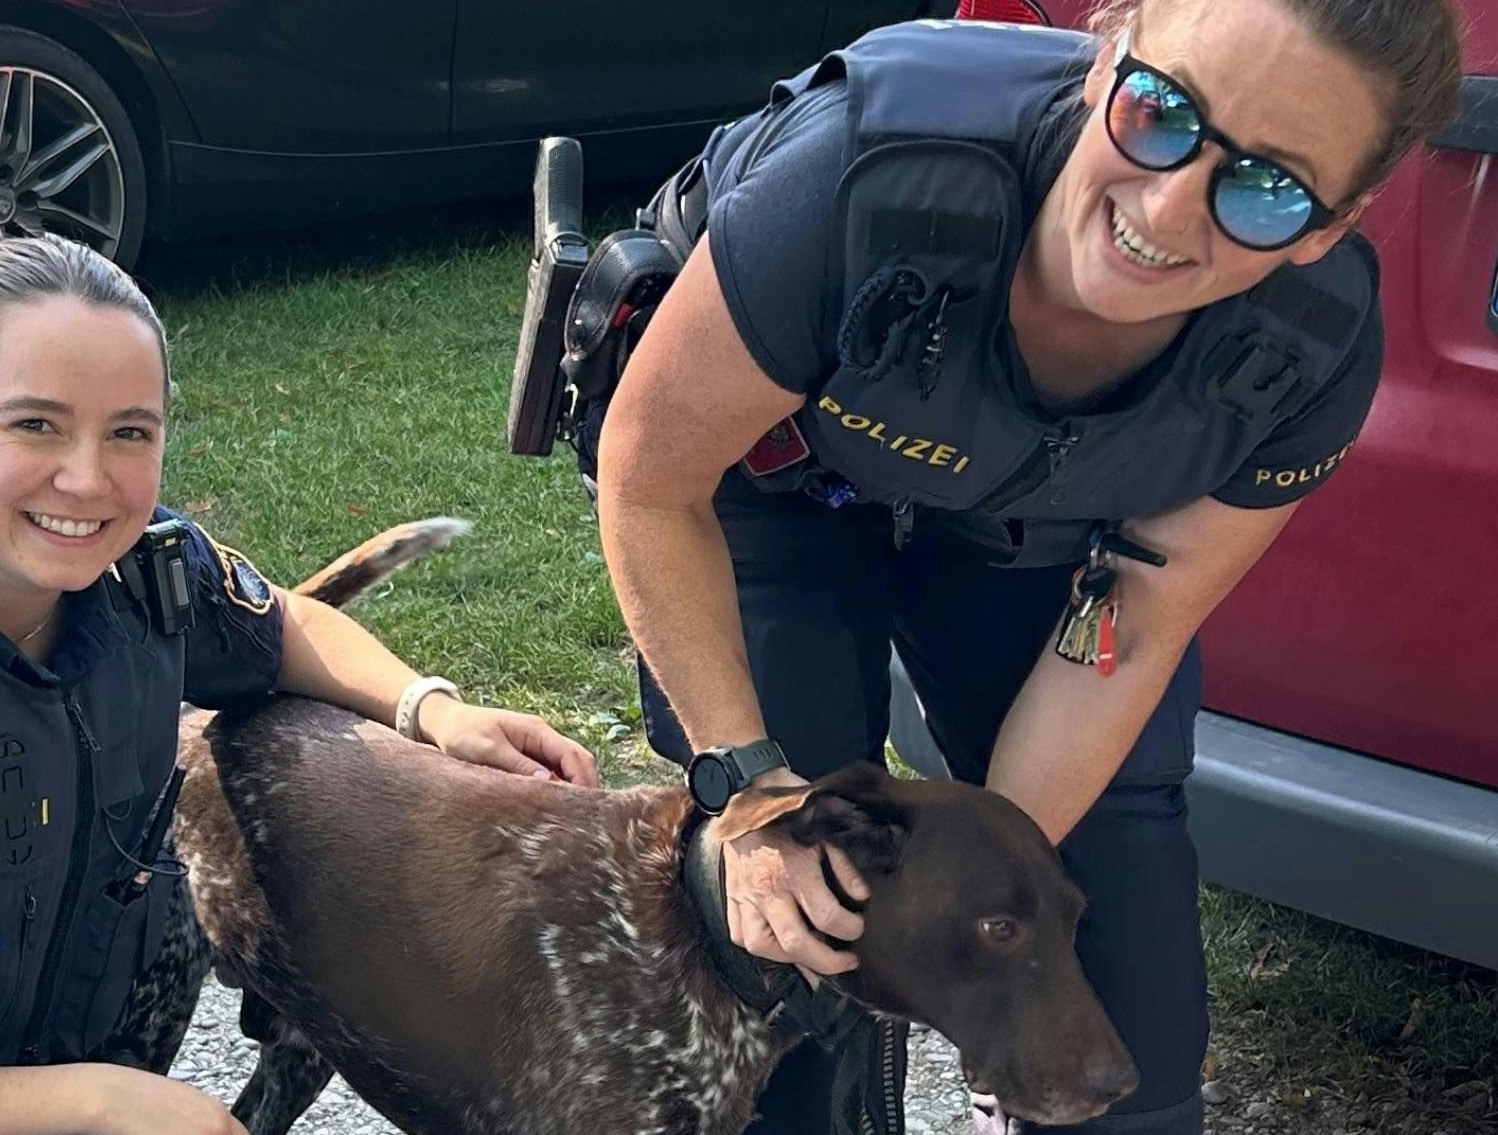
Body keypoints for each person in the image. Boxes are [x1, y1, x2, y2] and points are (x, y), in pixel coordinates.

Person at [588, 0, 1462, 1132]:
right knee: (784, 922)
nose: (1164, 206)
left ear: (1327, 225)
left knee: (1119, 994)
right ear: (1109, 46)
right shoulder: (867, 170)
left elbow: (1135, 622)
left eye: (1265, 188)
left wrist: (991, 899)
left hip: (1033, 528)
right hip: (764, 491)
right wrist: (744, 795)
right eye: (1159, 111)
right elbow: (652, 478)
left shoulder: (1306, 344)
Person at [0, 232, 598, 1135]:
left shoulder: (137, 579)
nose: (89, 481)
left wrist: (433, 709)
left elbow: (283, 625)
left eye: (130, 432)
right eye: (36, 424)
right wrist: (97, 1103)